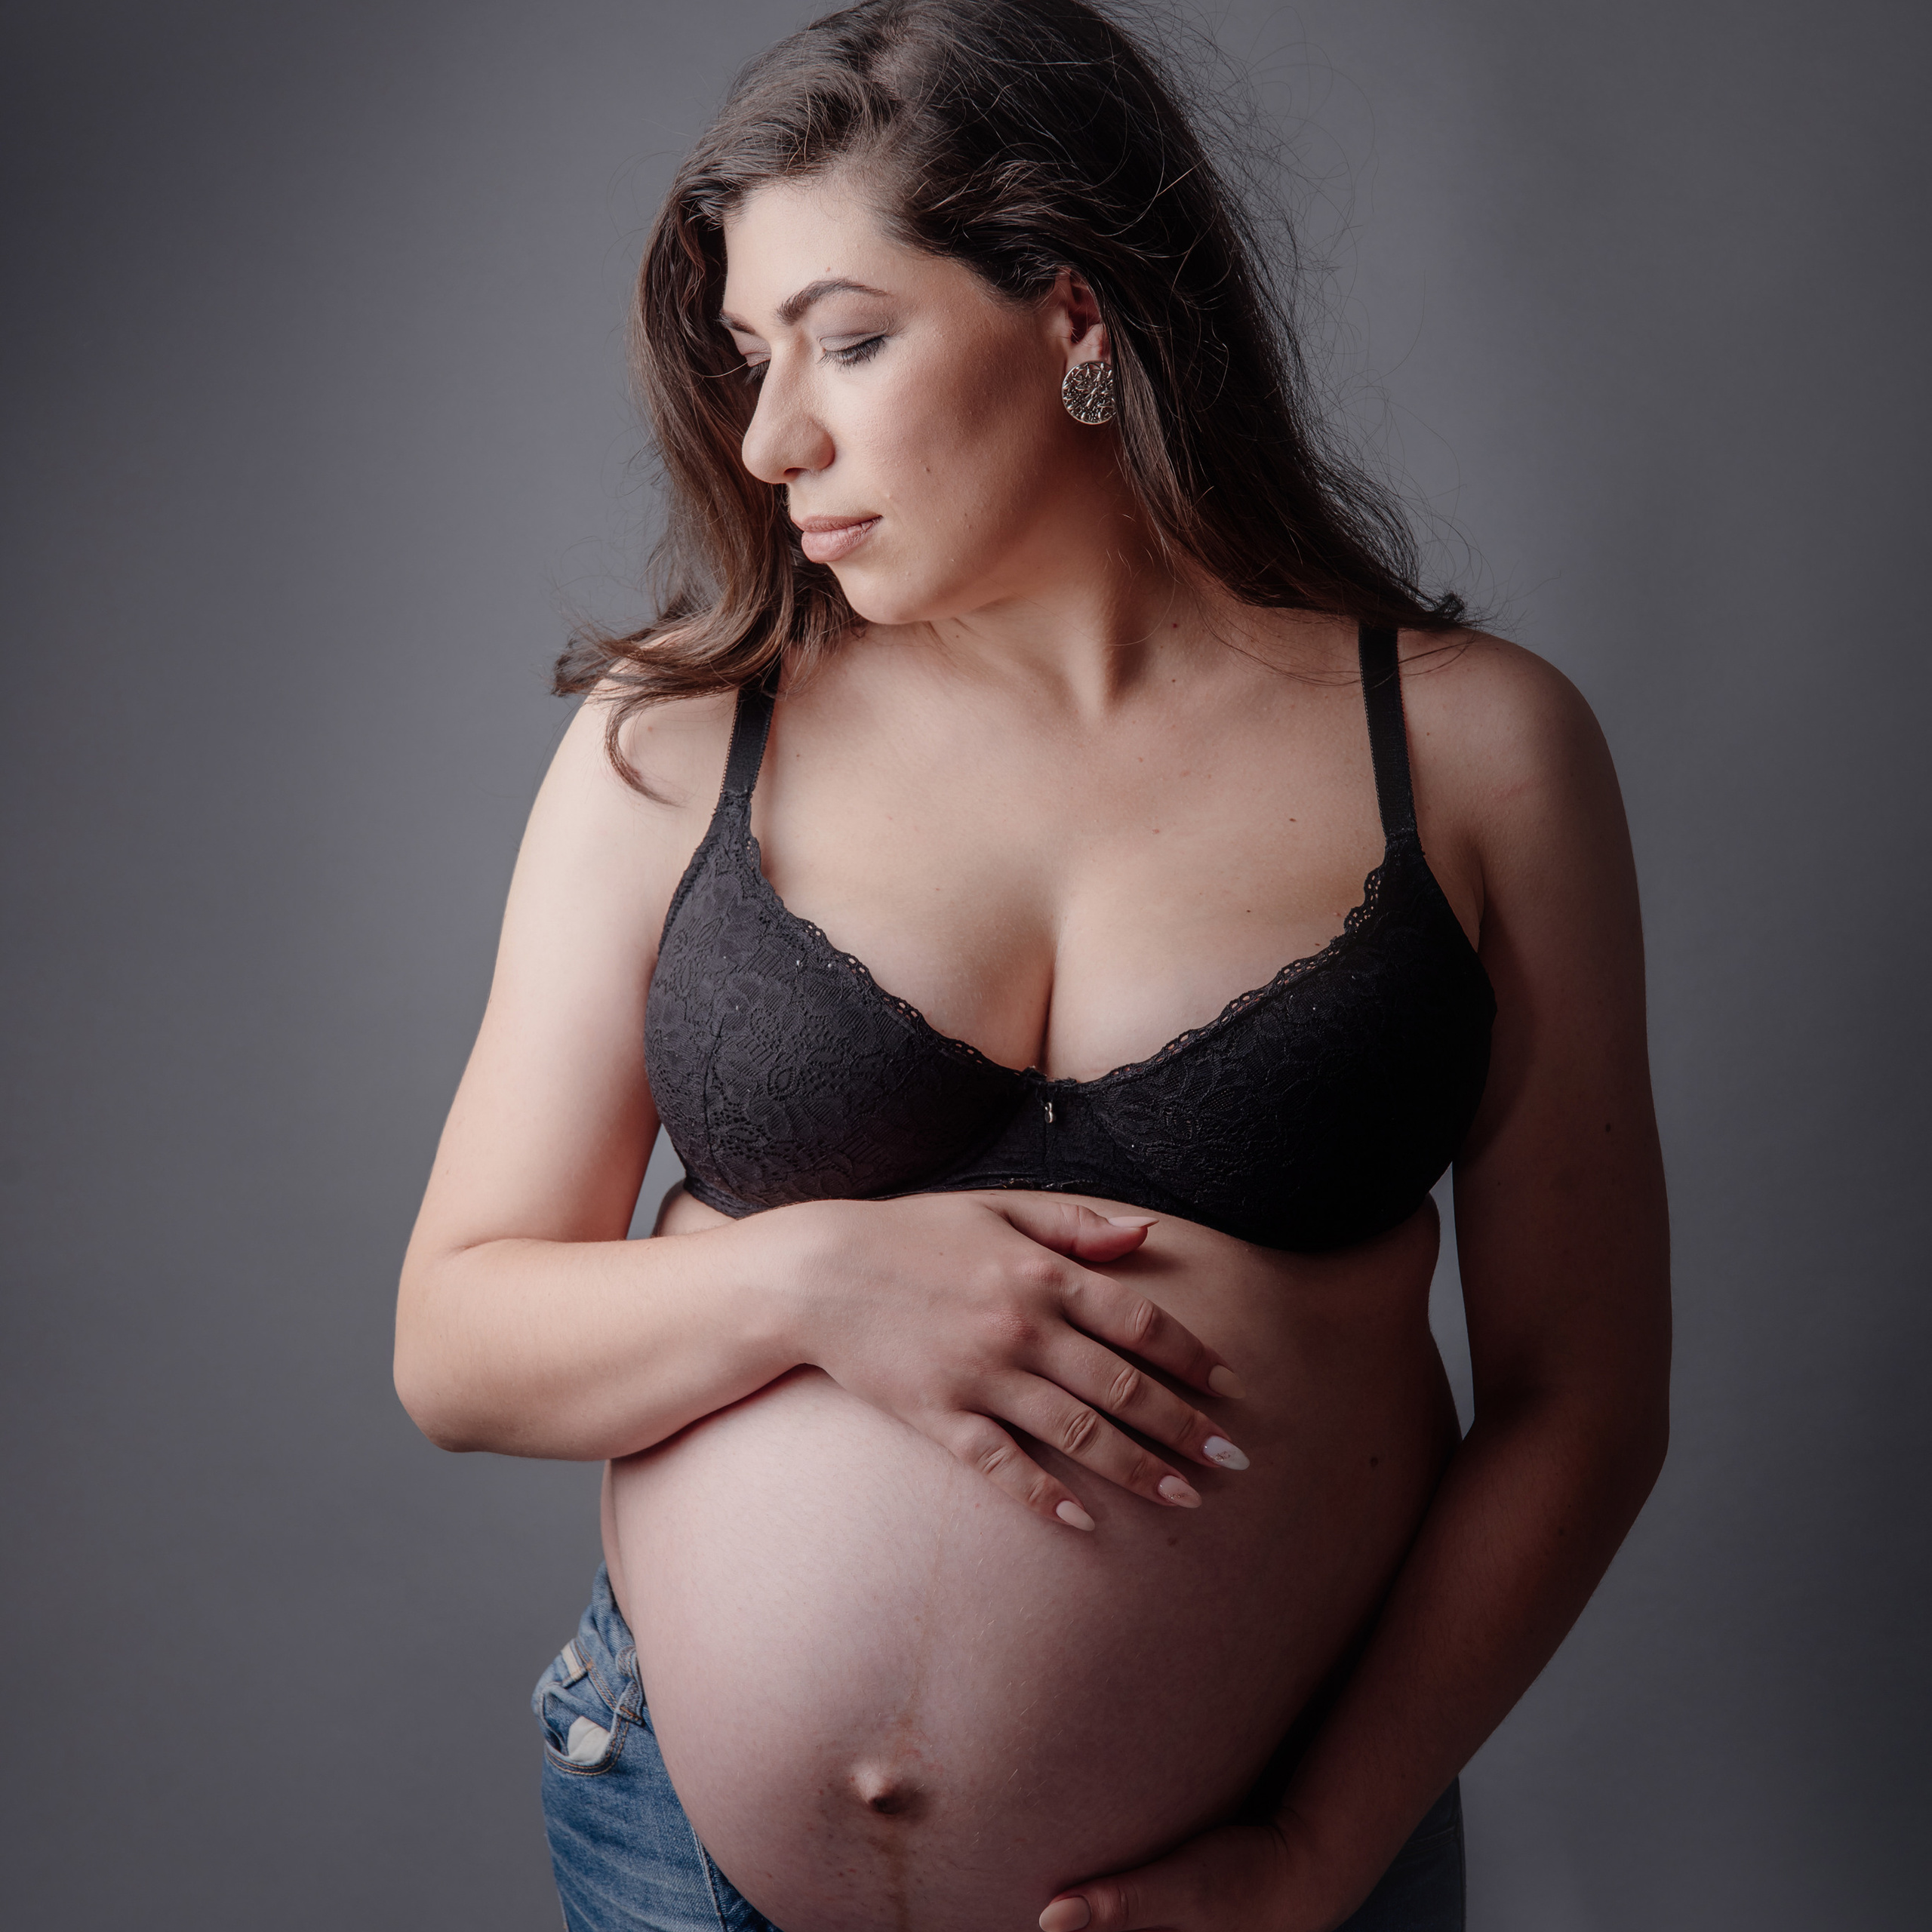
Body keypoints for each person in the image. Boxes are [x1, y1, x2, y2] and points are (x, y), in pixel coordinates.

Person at [393, 3, 1671, 1928]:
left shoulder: (1478, 756)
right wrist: (817, 1278)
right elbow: (454, 1342)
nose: (768, 437)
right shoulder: (678, 739)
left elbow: (1585, 1399)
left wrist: (1309, 1856)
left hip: (1257, 1881)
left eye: (846, 338)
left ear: (1076, 314)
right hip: (681, 1860)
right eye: (750, 358)